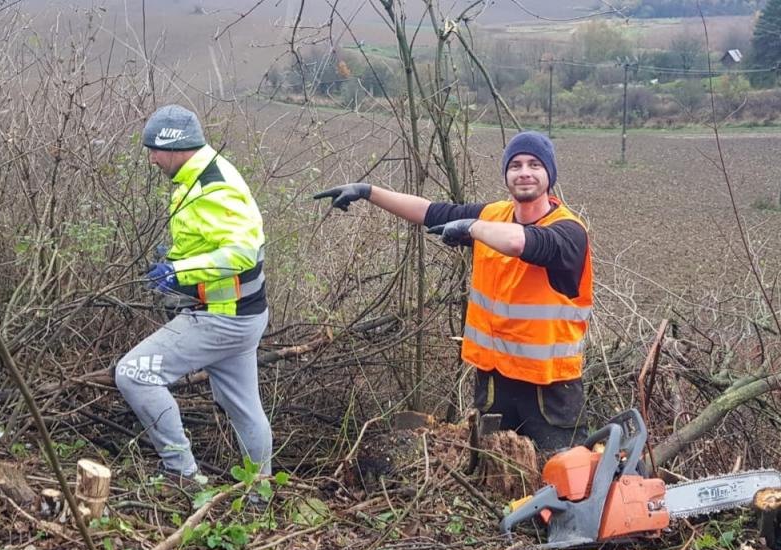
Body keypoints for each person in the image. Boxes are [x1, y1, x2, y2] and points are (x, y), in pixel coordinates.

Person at [313, 131, 592, 451]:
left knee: (562, 473)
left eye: (534, 165)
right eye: (515, 165)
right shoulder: (493, 217)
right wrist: (368, 191)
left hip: (550, 391)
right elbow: (430, 212)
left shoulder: (569, 231)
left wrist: (471, 228)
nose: (524, 172)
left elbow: (521, 242)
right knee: (491, 468)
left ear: (549, 174)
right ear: (506, 175)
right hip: (494, 381)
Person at [116, 104, 271, 486]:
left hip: (221, 317)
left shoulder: (212, 187)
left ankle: (181, 473)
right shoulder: (204, 173)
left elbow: (240, 253)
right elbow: (211, 241)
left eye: (154, 150)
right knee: (245, 409)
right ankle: (260, 493)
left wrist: (179, 273)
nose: (152, 159)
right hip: (242, 314)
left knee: (133, 375)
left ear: (175, 145)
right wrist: (174, 260)